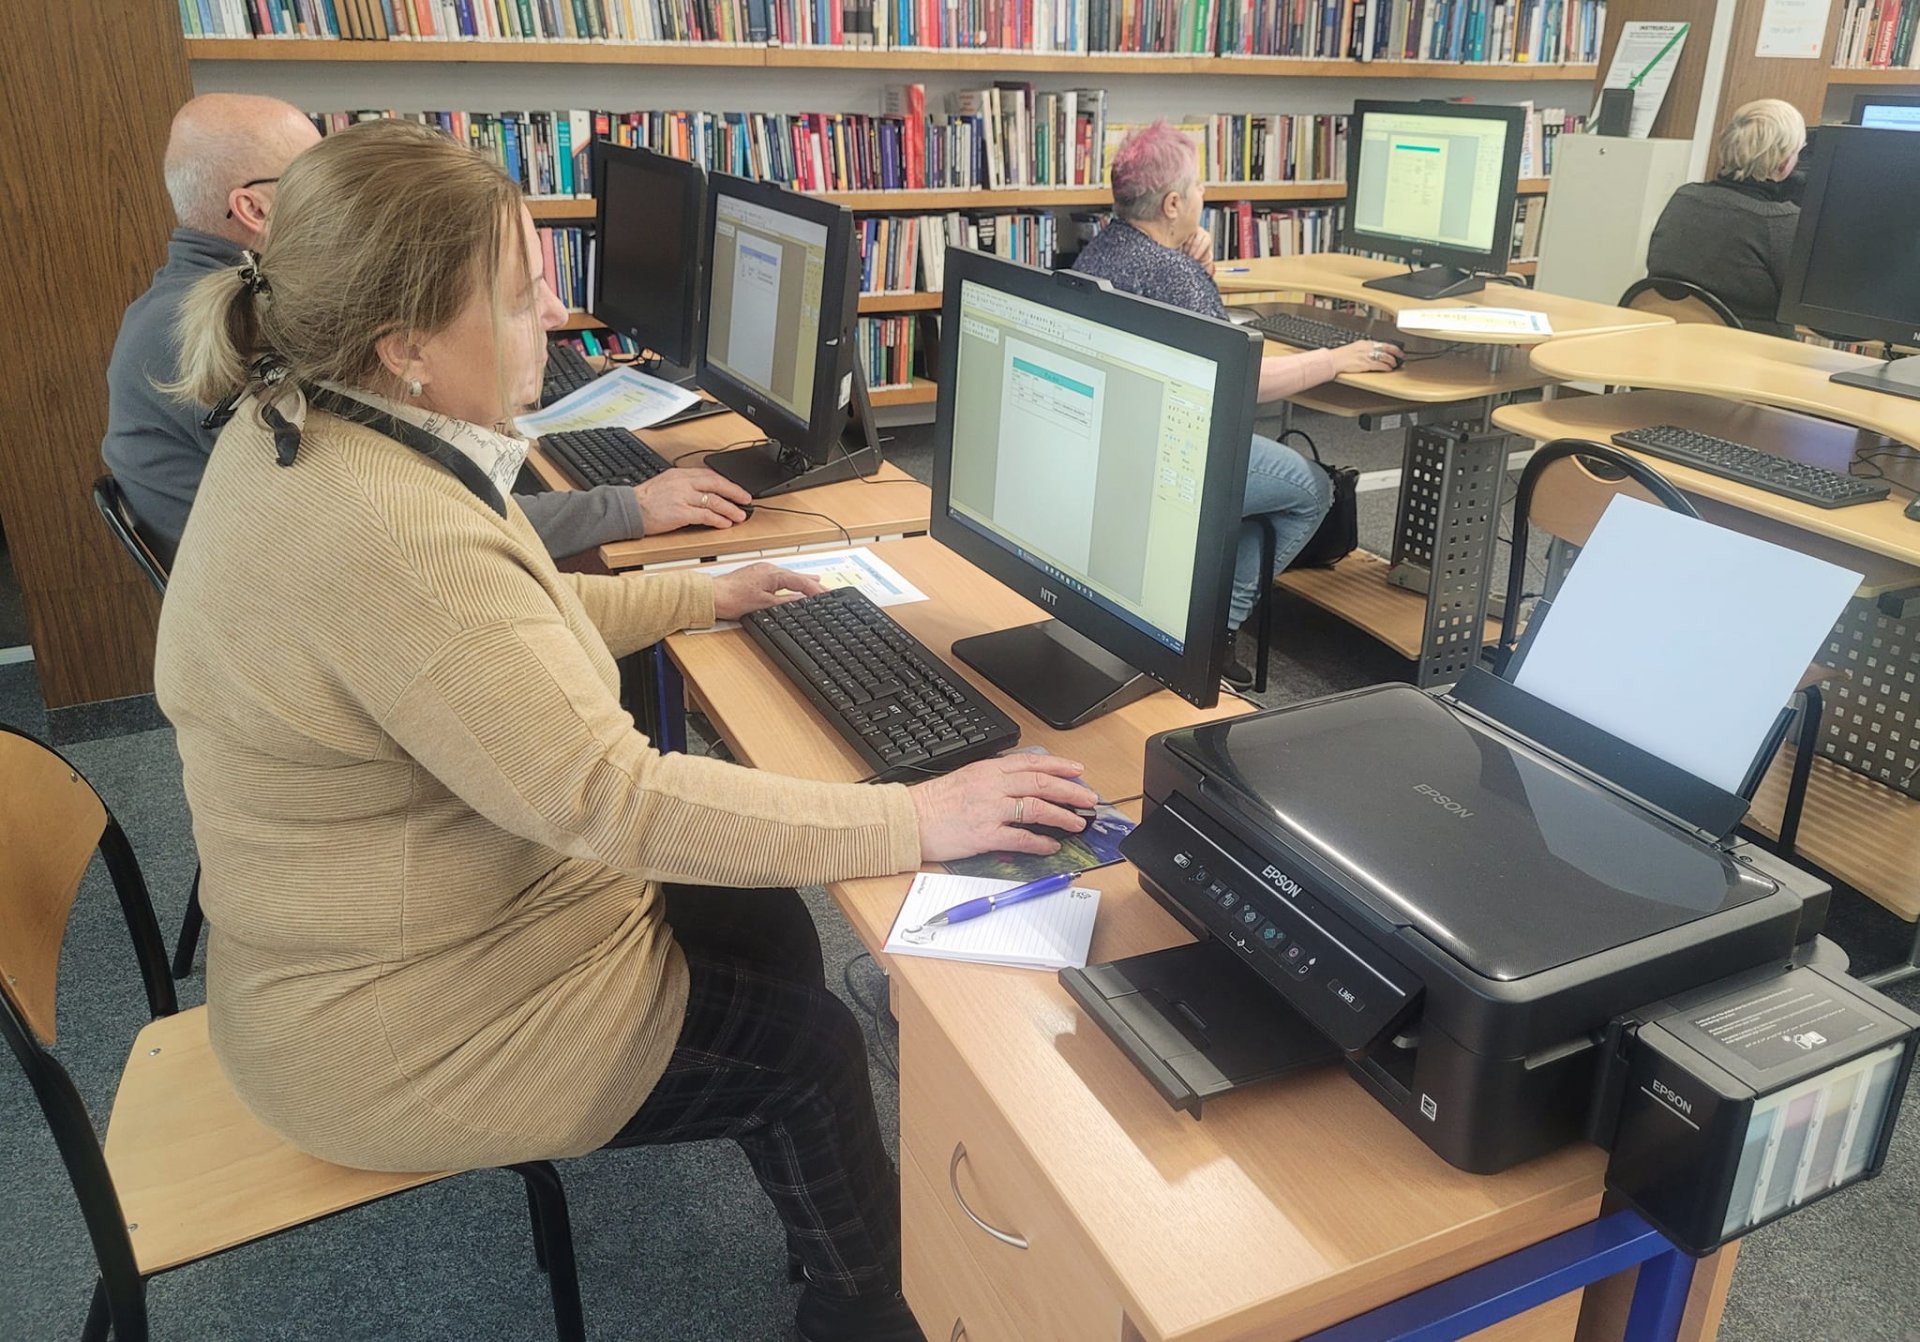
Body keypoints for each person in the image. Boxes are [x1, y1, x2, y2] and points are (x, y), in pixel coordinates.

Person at [153, 117, 1097, 1342]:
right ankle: (867, 1310)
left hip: (404, 930)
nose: (553, 314)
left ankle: (823, 1219)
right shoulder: (394, 534)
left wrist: (700, 595)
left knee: (762, 918)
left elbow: (503, 632)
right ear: (406, 346)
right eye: (515, 296)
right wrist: (914, 816)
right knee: (811, 1054)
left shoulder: (319, 424)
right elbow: (615, 799)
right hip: (398, 1028)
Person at [104, 93, 752, 564]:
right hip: (309, 615)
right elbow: (421, 526)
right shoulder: (231, 333)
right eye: (315, 182)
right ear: (252, 207)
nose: (347, 196)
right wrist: (630, 506)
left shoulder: (213, 300)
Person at [1072, 121, 1402, 685]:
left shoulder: (1104, 249)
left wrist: (1197, 265)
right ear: (1173, 204)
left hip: (1108, 443)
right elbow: (1240, 383)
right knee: (1311, 490)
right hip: (1167, 457)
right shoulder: (1173, 273)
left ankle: (1190, 604)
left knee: (1263, 489)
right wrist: (1336, 358)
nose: (1204, 195)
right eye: (1198, 187)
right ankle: (1216, 632)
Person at [1645, 99, 1807, 338]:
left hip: (1668, 344)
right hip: (1748, 353)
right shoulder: (1780, 223)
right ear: (1784, 164)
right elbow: (1813, 310)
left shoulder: (1683, 198)